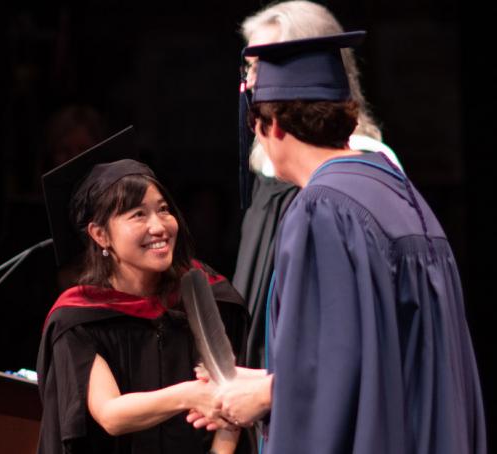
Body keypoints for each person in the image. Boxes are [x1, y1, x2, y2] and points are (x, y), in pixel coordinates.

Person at [192, 32, 487, 453]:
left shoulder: (322, 209)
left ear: (271, 125)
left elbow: (329, 373)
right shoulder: (396, 190)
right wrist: (258, 382)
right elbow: (371, 351)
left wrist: (260, 397)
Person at [37, 127, 249, 454]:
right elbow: (110, 414)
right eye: (138, 214)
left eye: (163, 209)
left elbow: (231, 410)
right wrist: (190, 394)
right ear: (100, 234)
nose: (159, 226)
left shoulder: (206, 294)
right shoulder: (79, 318)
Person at [232, 0, 402, 371]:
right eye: (251, 67)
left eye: (263, 67)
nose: (252, 82)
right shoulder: (268, 169)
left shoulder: (360, 170)